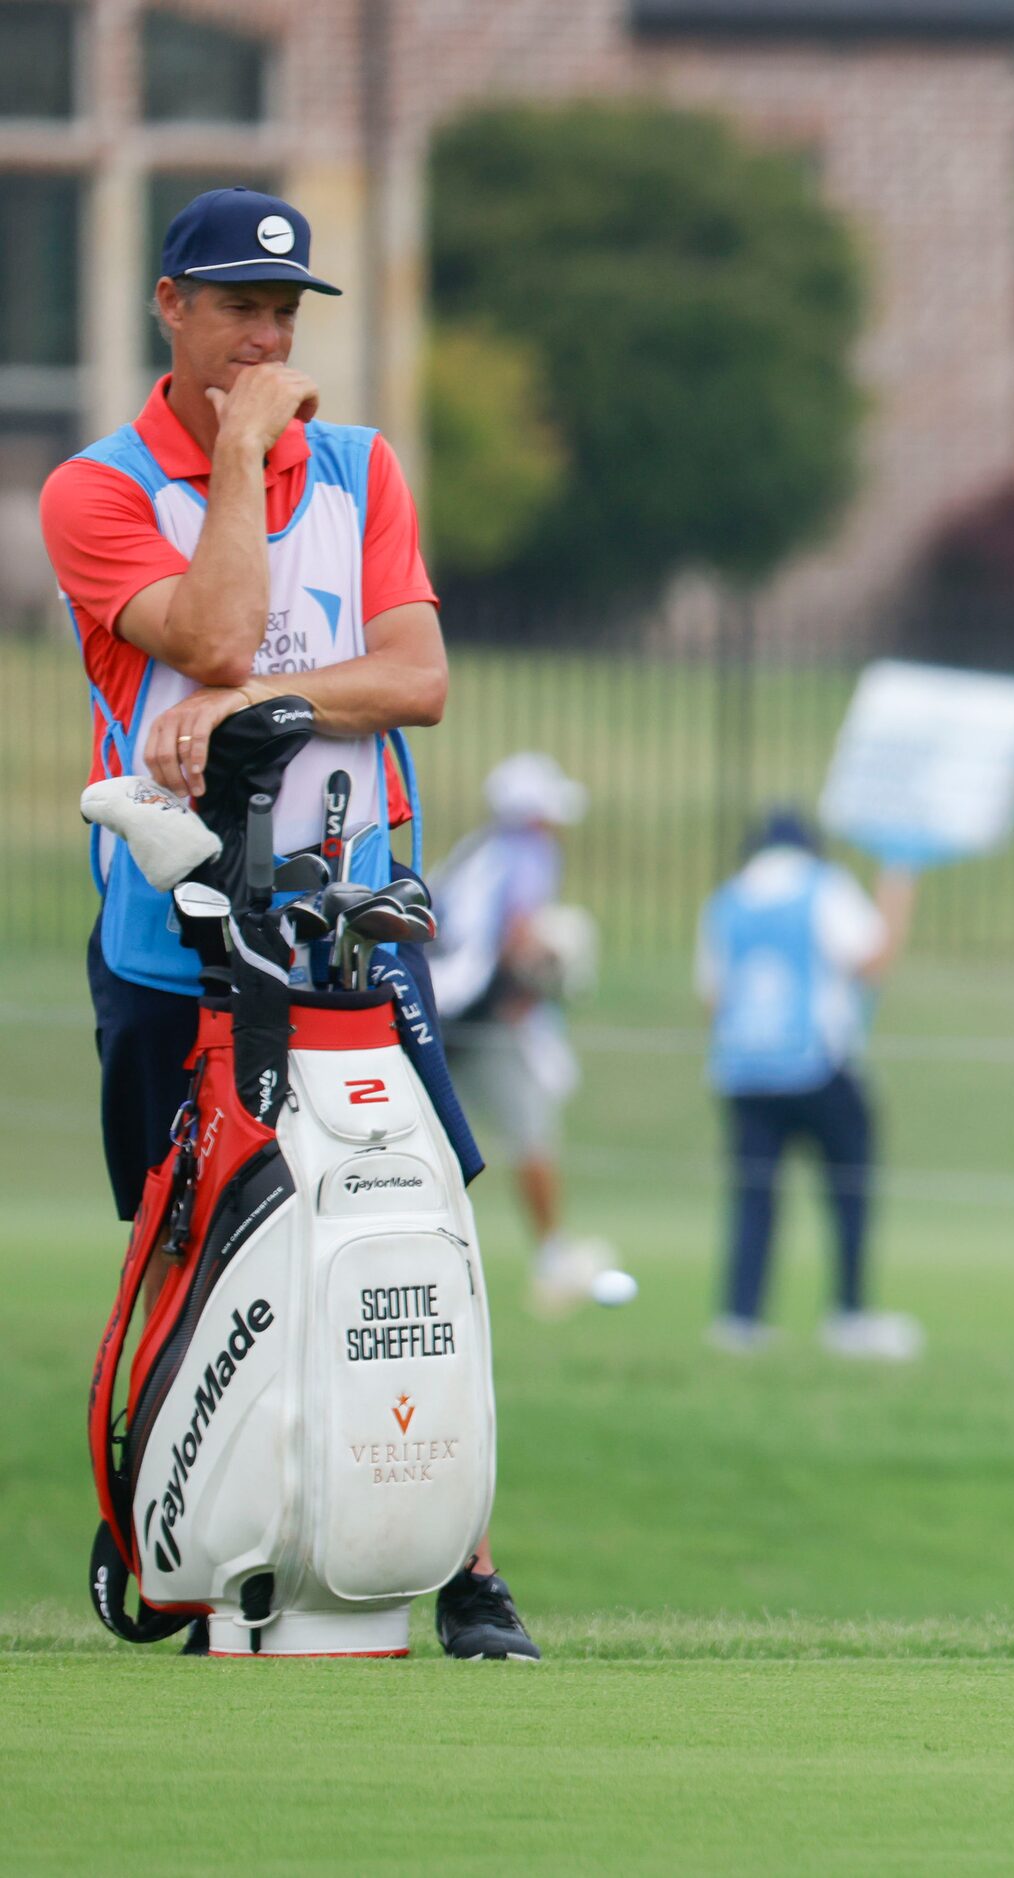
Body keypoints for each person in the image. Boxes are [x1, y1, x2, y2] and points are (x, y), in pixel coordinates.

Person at [39, 188, 537, 1661]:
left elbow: (417, 677)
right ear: (170, 310)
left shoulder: (367, 467)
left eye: (287, 314)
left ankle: (464, 1566)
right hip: (169, 934)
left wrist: (252, 708)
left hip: (356, 912)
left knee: (418, 1221)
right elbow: (211, 631)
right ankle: (204, 1550)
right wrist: (247, 456)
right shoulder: (100, 487)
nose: (269, 338)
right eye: (240, 309)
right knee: (195, 1236)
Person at [696, 811, 923, 1360]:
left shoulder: (726, 901)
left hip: (744, 1072)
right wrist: (899, 892)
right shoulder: (825, 887)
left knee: (754, 1197)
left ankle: (740, 1318)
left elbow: (712, 995)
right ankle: (849, 1313)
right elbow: (871, 960)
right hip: (819, 1065)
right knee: (849, 1191)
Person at [431, 752, 621, 1313]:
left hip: (434, 1009)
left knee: (434, 1135)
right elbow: (518, 936)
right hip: (482, 1015)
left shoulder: (472, 852)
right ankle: (553, 1258)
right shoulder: (529, 853)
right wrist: (544, 980)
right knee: (531, 1130)